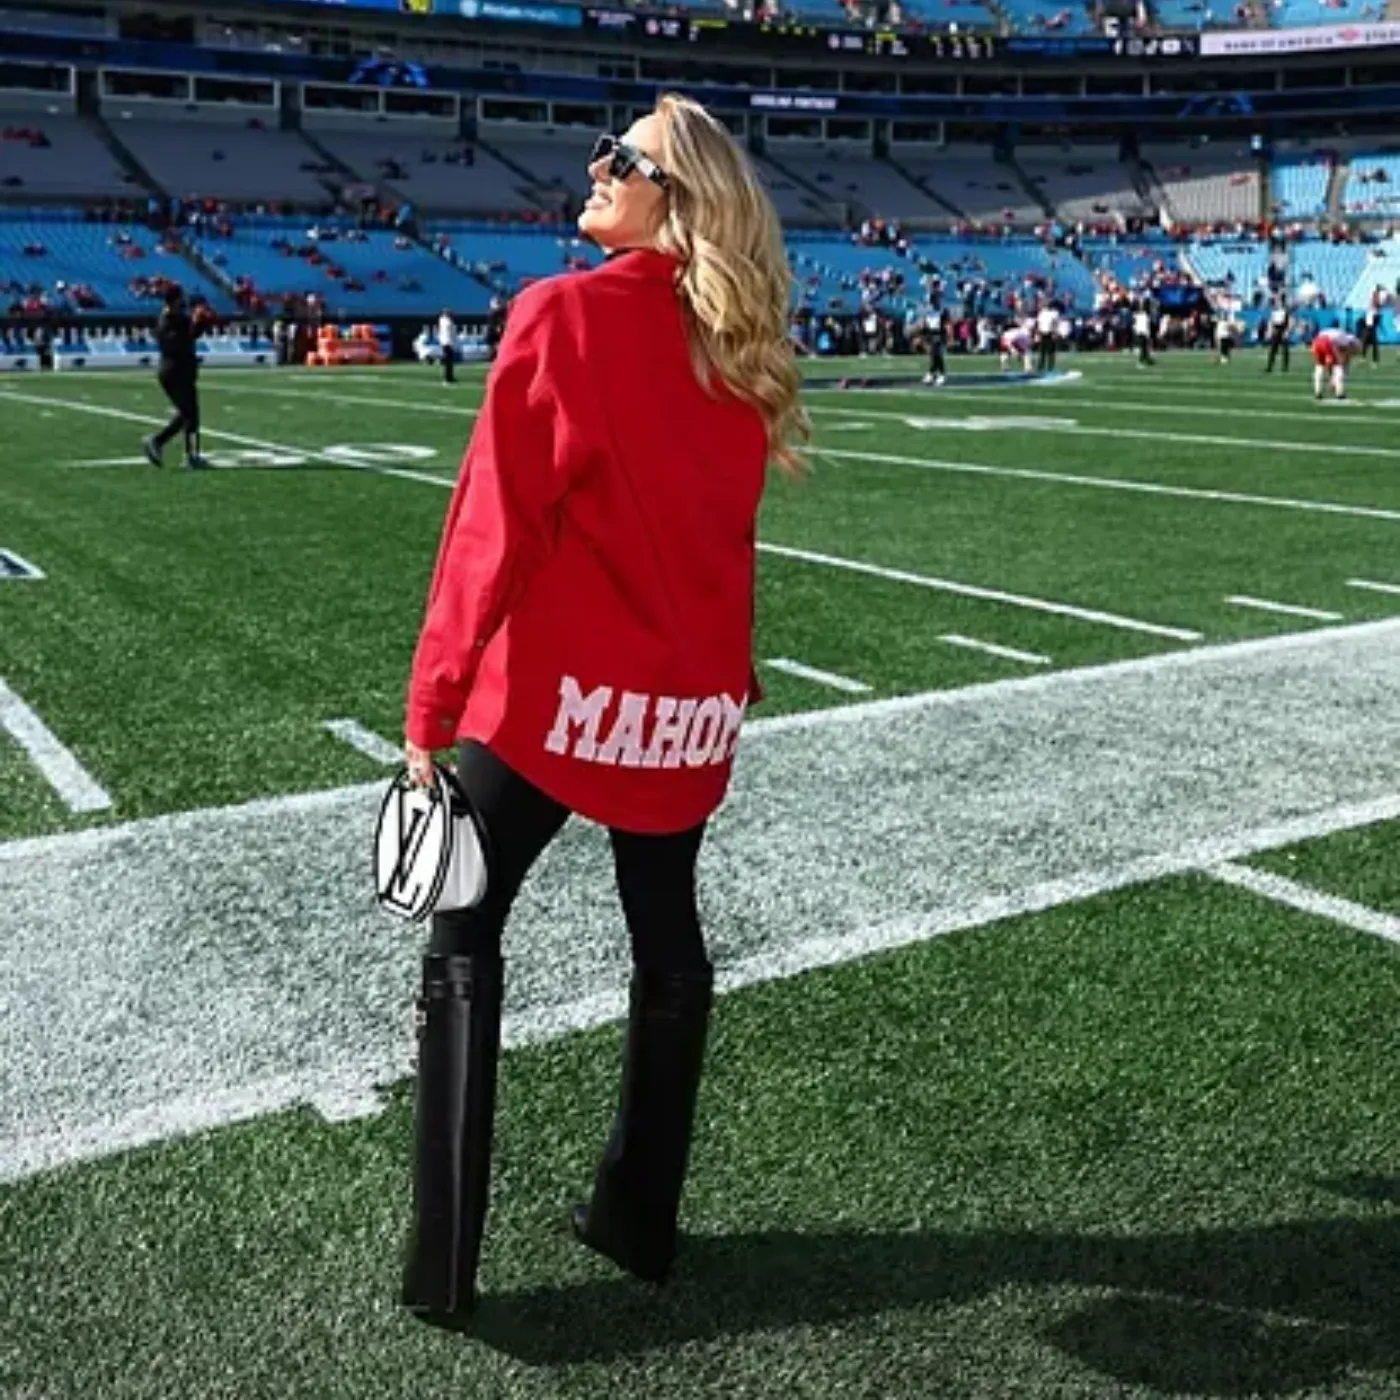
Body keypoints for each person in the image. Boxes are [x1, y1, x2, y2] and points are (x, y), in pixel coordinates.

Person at [398, 91, 808, 1321]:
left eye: (619, 156)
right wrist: (719, 689)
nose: (595, 165)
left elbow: (492, 527)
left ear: (672, 199)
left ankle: (442, 1265)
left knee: (461, 929)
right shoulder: (734, 348)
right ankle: (637, 1219)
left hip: (555, 700)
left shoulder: (561, 315)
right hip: (681, 708)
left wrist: (431, 701)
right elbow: (724, 550)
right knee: (665, 930)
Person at [142, 285, 209, 469]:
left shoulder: (179, 317)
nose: (184, 303)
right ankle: (158, 441)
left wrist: (201, 324)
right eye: (181, 299)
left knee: (191, 413)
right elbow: (177, 344)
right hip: (174, 371)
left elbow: (191, 336)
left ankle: (191, 455)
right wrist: (195, 323)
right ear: (173, 301)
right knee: (187, 413)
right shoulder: (165, 321)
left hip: (184, 369)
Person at [1311, 326, 1360, 401]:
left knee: (1319, 367)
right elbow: (1343, 356)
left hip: (1316, 342)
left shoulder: (1337, 335)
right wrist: (1332, 378)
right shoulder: (1345, 339)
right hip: (1326, 343)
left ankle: (1318, 392)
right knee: (1338, 367)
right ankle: (1339, 393)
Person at [437, 306, 456, 384]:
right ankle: (447, 378)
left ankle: (450, 377)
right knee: (448, 362)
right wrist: (451, 343)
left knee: (450, 362)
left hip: (446, 342)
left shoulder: (444, 320)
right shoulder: (446, 321)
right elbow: (449, 334)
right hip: (447, 343)